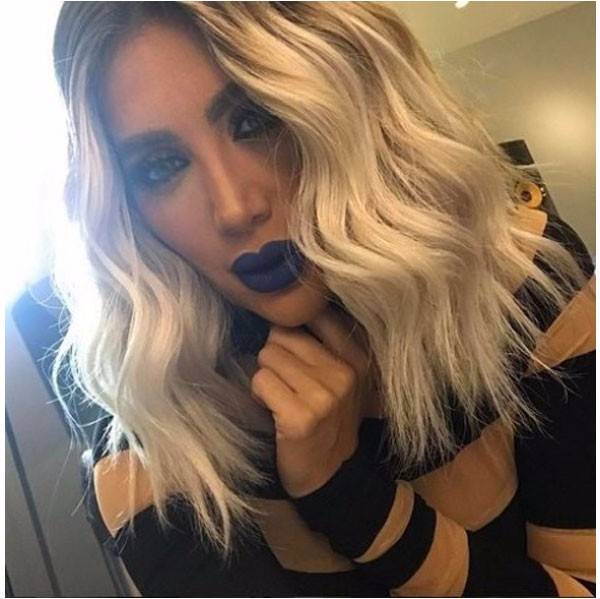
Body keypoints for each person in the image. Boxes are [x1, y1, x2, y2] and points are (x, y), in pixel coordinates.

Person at [50, 2, 595, 596]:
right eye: (161, 167)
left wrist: (351, 497)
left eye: (254, 120)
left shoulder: (525, 285)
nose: (235, 208)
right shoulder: (151, 455)